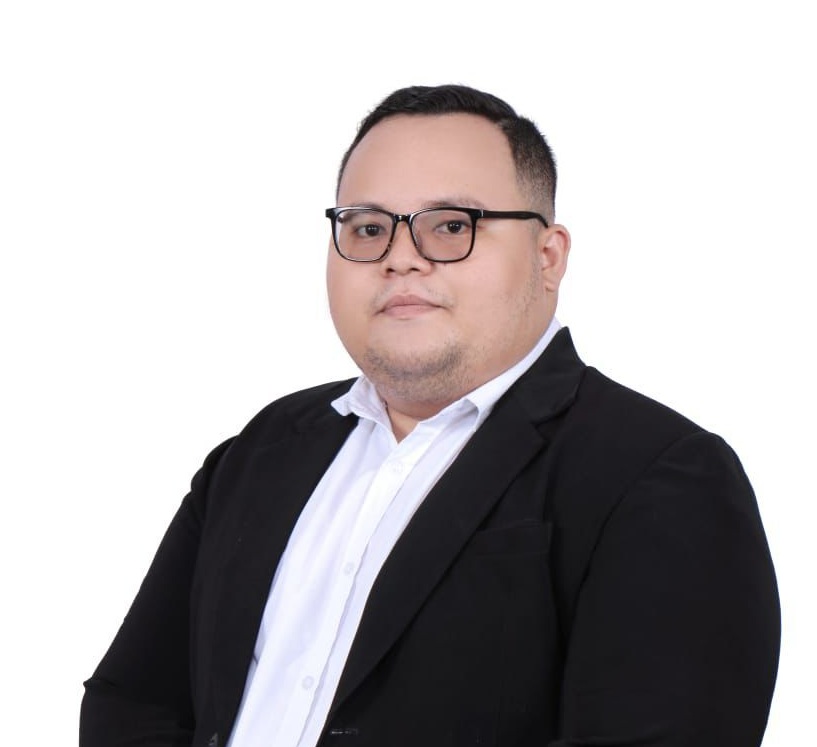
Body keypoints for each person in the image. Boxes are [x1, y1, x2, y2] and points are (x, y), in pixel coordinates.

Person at [80, 84, 780, 747]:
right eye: (368, 227)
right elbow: (134, 699)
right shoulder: (263, 448)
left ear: (547, 257)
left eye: (451, 226)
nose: (401, 258)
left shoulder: (659, 476)